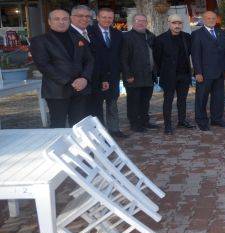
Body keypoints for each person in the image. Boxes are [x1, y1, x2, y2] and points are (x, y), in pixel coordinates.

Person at [30, 9, 94, 128]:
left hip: (81, 89)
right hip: (57, 90)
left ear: (69, 21)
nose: (61, 22)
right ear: (49, 22)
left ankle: (77, 146)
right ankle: (60, 147)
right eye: (57, 19)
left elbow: (89, 60)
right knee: (58, 124)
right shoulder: (39, 41)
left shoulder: (79, 38)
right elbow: (44, 65)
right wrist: (70, 82)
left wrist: (85, 78)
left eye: (64, 19)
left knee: (79, 125)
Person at [87, 7, 127, 138]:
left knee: (112, 104)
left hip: (113, 75)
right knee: (96, 106)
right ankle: (100, 133)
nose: (107, 20)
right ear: (97, 18)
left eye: (110, 17)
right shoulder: (89, 32)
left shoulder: (117, 34)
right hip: (96, 75)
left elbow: (120, 54)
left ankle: (114, 129)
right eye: (104, 17)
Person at [153, 14, 194, 135]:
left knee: (182, 100)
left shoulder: (186, 37)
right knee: (168, 101)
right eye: (174, 23)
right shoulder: (160, 39)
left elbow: (189, 53)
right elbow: (157, 59)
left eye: (179, 23)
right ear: (169, 24)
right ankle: (168, 125)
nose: (177, 26)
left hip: (184, 74)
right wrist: (162, 73)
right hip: (168, 75)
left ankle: (182, 121)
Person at [191, 11, 225, 130]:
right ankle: (201, 121)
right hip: (204, 73)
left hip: (220, 72)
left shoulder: (221, 33)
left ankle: (216, 119)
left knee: (218, 98)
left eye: (213, 18)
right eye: (208, 18)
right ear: (203, 20)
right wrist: (198, 72)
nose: (211, 20)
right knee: (202, 98)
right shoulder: (197, 34)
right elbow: (195, 55)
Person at [121, 13, 158, 133]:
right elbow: (123, 58)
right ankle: (135, 124)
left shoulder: (151, 36)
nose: (141, 23)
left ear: (147, 23)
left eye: (143, 21)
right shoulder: (126, 37)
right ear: (133, 22)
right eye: (138, 20)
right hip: (134, 76)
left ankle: (145, 121)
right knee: (134, 101)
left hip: (149, 75)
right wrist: (128, 75)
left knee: (145, 101)